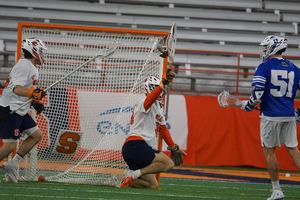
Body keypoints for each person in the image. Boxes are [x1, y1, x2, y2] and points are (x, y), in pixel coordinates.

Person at [241, 35, 300, 200]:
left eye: (266, 47)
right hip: (289, 114)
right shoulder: (294, 68)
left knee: (269, 152)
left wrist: (249, 105)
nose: (264, 50)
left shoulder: (264, 66)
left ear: (274, 47)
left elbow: (258, 94)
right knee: (293, 149)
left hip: (270, 115)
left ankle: (276, 190)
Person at [120, 70, 187, 189]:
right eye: (155, 87)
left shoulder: (158, 106)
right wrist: (162, 84)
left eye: (158, 86)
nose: (159, 89)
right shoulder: (143, 101)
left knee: (152, 185)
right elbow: (150, 99)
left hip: (140, 148)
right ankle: (134, 174)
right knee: (168, 164)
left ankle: (124, 181)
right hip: (135, 144)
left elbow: (163, 129)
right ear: (148, 87)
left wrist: (173, 147)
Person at [0, 38, 48, 183]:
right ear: (35, 51)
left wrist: (34, 102)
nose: (42, 55)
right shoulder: (24, 66)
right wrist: (32, 93)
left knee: (36, 135)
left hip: (20, 109)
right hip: (10, 109)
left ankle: (13, 164)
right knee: (9, 146)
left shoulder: (29, 66)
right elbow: (17, 89)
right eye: (40, 51)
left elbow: (24, 90)